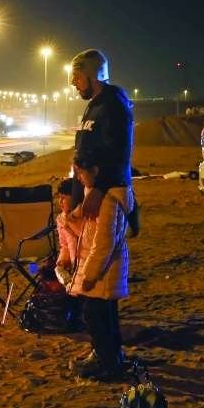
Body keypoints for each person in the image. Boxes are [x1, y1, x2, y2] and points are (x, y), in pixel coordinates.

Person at [67, 151, 132, 380]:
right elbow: (87, 235)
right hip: (101, 270)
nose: (78, 178)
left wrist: (91, 274)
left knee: (96, 317)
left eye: (81, 173)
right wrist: (72, 219)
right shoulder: (93, 197)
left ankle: (106, 362)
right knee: (105, 317)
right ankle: (111, 358)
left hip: (104, 273)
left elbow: (103, 243)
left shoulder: (109, 201)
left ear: (95, 171)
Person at [69, 49, 137, 236]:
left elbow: (119, 153)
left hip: (105, 197)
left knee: (103, 257)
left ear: (93, 76)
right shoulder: (94, 105)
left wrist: (98, 190)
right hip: (90, 193)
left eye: (77, 76)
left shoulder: (113, 105)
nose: (73, 82)